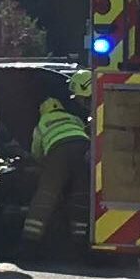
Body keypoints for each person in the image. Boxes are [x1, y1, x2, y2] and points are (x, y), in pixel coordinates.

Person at [23, 89, 91, 257]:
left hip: (58, 151)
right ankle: (80, 241)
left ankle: (30, 241)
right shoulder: (74, 118)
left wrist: (41, 166)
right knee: (81, 195)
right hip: (84, 149)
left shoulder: (43, 122)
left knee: (46, 195)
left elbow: (37, 152)